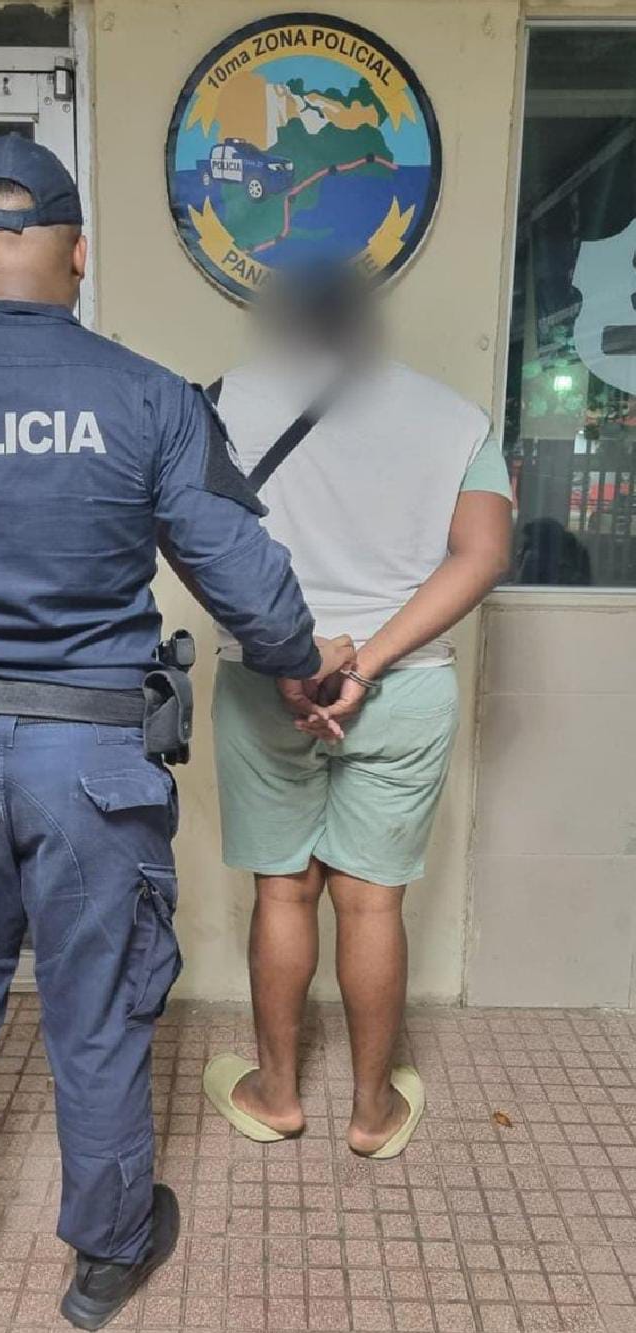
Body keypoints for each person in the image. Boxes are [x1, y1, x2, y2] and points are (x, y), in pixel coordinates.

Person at [0, 135, 353, 1331]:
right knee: (99, 1020)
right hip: (95, 766)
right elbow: (239, 571)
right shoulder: (150, 398)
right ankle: (104, 1261)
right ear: (79, 253)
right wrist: (304, 667)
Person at [200, 264, 513, 1160]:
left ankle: (276, 1095)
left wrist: (295, 656)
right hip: (404, 684)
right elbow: (483, 554)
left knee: (282, 890)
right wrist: (367, 663)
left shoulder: (220, 405)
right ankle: (373, 1113)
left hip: (268, 681)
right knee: (374, 906)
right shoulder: (456, 418)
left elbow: (194, 542)